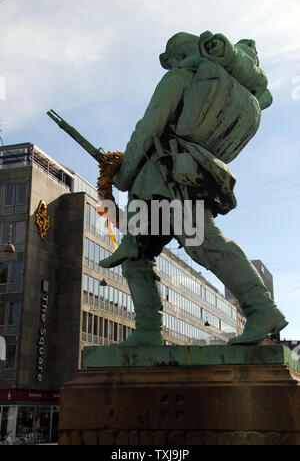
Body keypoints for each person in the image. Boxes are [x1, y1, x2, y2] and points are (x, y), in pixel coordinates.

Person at [99, 31, 288, 346]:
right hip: (192, 176)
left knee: (198, 242)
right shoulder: (225, 87)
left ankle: (260, 308)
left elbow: (148, 128)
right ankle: (148, 332)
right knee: (141, 252)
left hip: (164, 181)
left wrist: (123, 175)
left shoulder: (180, 75)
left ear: (174, 55)